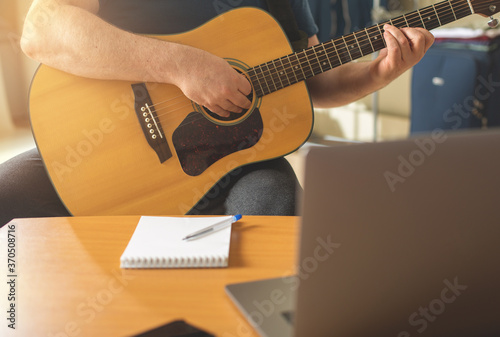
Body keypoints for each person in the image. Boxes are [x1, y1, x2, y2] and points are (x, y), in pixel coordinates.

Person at [0, 0, 434, 227]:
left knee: (279, 218)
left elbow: (312, 80)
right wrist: (181, 65)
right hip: (91, 152)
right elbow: (42, 29)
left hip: (236, 165)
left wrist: (378, 74)